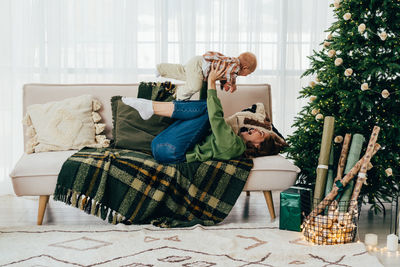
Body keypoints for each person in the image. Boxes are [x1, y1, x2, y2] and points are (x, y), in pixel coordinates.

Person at [122, 62, 286, 164]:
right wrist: (208, 79)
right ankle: (150, 107)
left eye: (261, 134)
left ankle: (151, 107)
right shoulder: (235, 140)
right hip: (161, 145)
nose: (256, 129)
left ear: (259, 146)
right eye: (260, 129)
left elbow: (216, 119)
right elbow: (207, 108)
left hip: (170, 152)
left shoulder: (234, 147)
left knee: (210, 112)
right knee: (206, 108)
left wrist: (212, 83)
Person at [156, 51, 257, 100]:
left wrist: (225, 83)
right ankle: (178, 96)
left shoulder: (230, 64)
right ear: (245, 68)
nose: (247, 75)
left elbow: (223, 73)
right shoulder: (235, 66)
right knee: (195, 86)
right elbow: (231, 75)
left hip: (198, 63)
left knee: (183, 73)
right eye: (250, 73)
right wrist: (232, 84)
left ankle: (161, 69)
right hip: (200, 65)